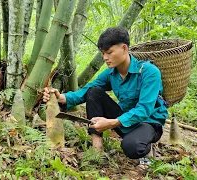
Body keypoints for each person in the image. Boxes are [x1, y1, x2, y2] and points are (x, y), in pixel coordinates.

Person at [42, 27, 168, 162]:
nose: (105, 58)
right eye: (103, 53)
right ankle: (97, 150)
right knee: (94, 92)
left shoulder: (149, 72)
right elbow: (87, 90)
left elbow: (144, 110)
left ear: (124, 48)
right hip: (124, 121)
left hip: (148, 123)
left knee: (132, 147)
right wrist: (61, 97)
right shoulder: (111, 73)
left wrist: (111, 123)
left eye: (109, 52)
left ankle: (147, 149)